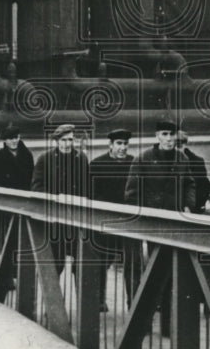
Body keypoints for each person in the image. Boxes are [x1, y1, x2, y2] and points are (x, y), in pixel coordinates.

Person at [124, 119, 197, 334]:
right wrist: (141, 219)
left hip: (174, 224)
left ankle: (168, 325)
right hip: (150, 226)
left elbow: (190, 183)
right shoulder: (143, 159)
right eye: (165, 134)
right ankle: (142, 323)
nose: (169, 139)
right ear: (157, 136)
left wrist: (188, 204)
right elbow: (131, 193)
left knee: (170, 275)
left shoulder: (181, 158)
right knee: (149, 275)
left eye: (172, 134)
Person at [89, 128, 141, 310]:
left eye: (126, 144)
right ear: (111, 145)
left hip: (128, 223)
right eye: (119, 144)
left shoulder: (134, 163)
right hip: (105, 222)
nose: (123, 148)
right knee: (102, 261)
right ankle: (99, 300)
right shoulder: (97, 165)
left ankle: (134, 304)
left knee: (133, 264)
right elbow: (91, 194)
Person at [32, 124, 91, 273]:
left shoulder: (81, 158)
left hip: (75, 219)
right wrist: (56, 198)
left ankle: (79, 295)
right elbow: (36, 187)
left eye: (70, 140)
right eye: (63, 140)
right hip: (54, 220)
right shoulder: (45, 159)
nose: (67, 144)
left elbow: (88, 187)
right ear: (57, 141)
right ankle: (52, 296)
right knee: (55, 264)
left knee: (81, 264)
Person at [175, 130, 210, 212]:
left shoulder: (197, 161)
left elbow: (203, 187)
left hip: (190, 208)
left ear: (184, 144)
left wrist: (192, 206)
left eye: (178, 145)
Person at [0, 123, 35, 190]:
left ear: (19, 137)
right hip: (7, 193)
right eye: (10, 138)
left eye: (16, 138)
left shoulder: (27, 155)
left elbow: (31, 176)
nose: (14, 141)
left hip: (25, 192)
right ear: (5, 140)